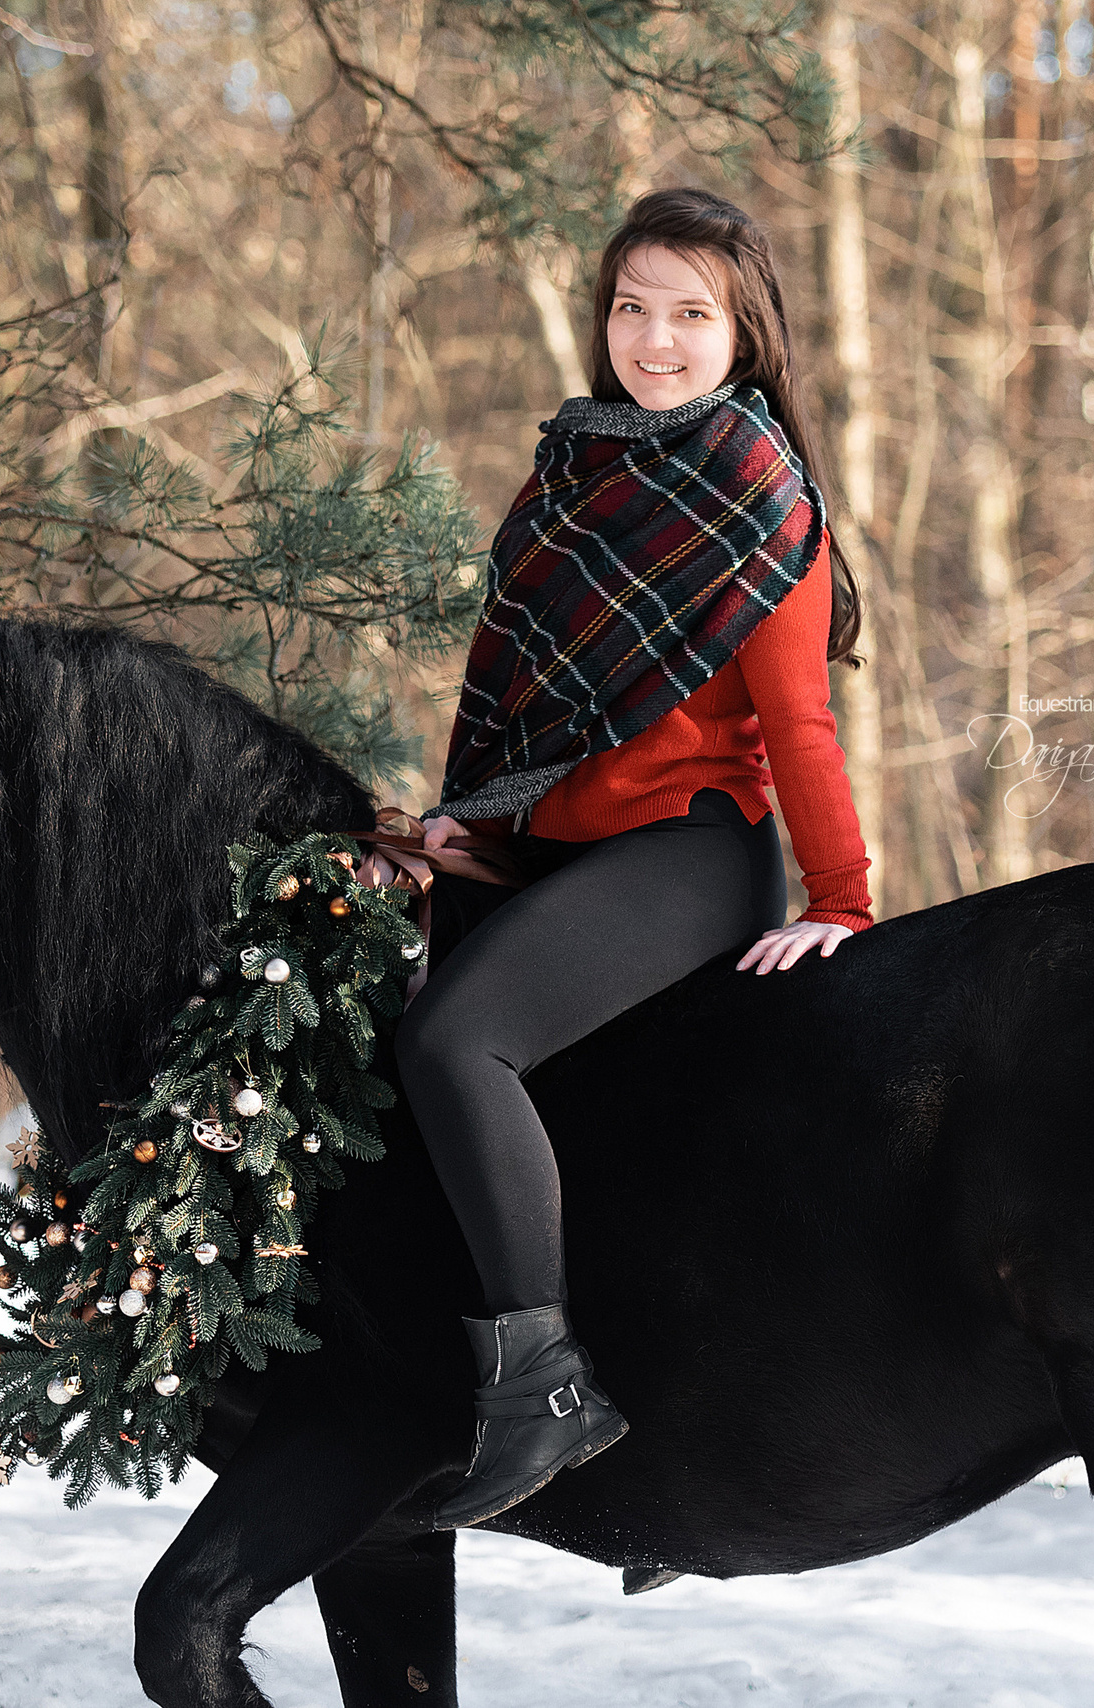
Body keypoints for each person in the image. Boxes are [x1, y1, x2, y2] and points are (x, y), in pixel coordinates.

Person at [394, 187, 874, 1531]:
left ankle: (541, 1390)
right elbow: (538, 700)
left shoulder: (758, 496)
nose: (654, 340)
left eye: (690, 314)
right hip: (559, 854)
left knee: (456, 1046)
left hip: (690, 853)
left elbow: (798, 724)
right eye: (631, 307)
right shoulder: (575, 470)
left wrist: (841, 899)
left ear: (745, 333)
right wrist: (475, 828)